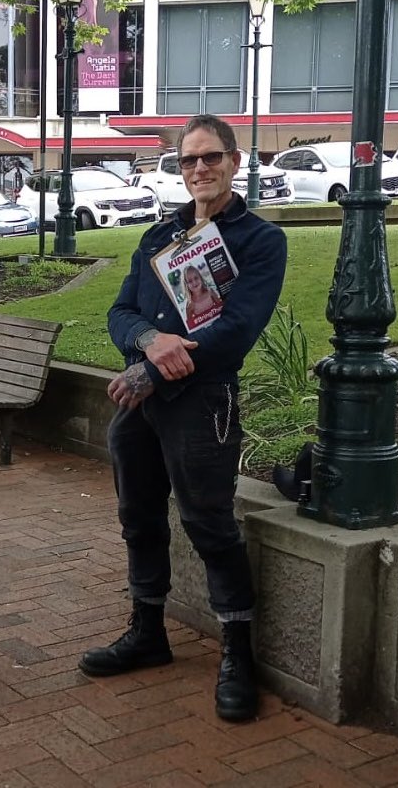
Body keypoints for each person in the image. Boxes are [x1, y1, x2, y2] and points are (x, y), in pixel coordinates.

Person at [78, 114, 288, 723]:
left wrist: (158, 363)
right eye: (188, 160)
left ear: (235, 160)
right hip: (142, 410)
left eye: (211, 158)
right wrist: (148, 340)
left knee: (210, 525)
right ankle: (148, 631)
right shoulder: (157, 236)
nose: (199, 170)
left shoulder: (259, 241)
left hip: (203, 405)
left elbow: (237, 330)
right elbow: (120, 312)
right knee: (138, 519)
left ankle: (238, 655)